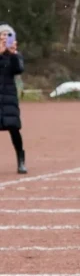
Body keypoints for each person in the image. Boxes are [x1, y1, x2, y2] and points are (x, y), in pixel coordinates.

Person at [0, 24, 26, 174]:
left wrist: (13, 53)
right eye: (2, 34)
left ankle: (21, 160)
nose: (5, 37)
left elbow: (19, 70)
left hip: (9, 96)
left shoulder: (15, 54)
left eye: (8, 35)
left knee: (14, 129)